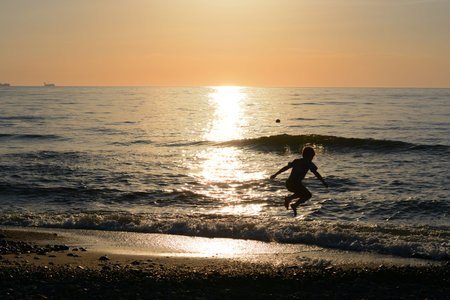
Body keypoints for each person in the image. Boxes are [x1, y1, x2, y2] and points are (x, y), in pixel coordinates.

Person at [270, 146, 328, 217]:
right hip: (296, 184)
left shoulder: (297, 161)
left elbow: (285, 168)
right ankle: (294, 205)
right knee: (308, 195)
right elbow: (316, 173)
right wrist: (323, 182)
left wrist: (275, 174)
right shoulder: (309, 163)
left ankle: (289, 199)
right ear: (309, 155)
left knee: (301, 193)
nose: (312, 158)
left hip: (289, 183)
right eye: (312, 156)